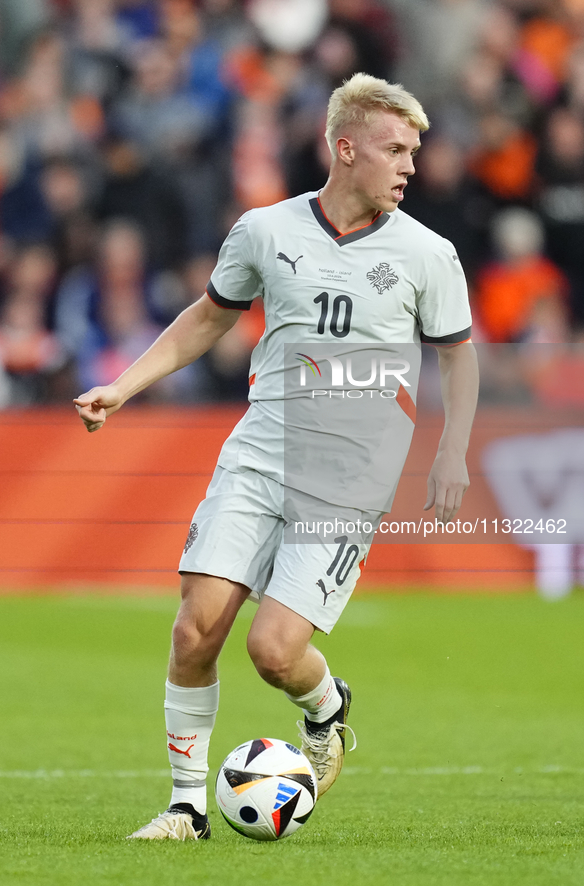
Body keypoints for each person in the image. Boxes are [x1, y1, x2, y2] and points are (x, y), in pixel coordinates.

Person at [74, 72, 479, 841]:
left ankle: (326, 710)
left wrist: (451, 450)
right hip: (259, 453)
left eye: (414, 152)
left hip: (349, 480)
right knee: (195, 629)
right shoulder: (264, 231)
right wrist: (122, 388)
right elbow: (207, 318)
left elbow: (458, 359)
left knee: (272, 652)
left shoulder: (429, 254)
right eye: (395, 149)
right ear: (344, 147)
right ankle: (187, 808)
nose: (410, 167)